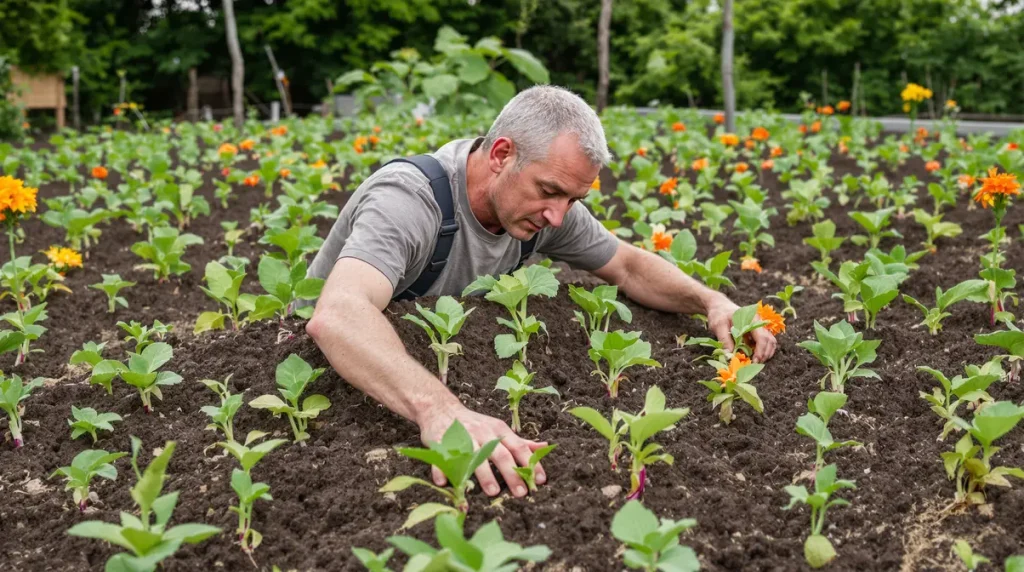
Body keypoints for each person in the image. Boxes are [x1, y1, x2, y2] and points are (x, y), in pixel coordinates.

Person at [304, 85, 777, 500]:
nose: (558, 215)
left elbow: (629, 266)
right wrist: (441, 410)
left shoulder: (543, 212)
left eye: (573, 199)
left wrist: (712, 302)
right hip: (324, 375)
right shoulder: (409, 201)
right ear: (501, 154)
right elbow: (340, 315)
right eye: (549, 190)